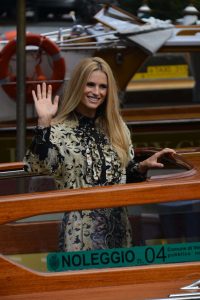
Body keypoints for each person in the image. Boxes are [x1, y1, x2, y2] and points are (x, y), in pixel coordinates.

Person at [24, 56, 176, 252]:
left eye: (103, 87)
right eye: (90, 85)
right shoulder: (58, 130)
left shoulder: (117, 128)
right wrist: (44, 122)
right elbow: (39, 167)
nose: (96, 92)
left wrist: (141, 167)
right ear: (78, 85)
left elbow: (122, 178)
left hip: (119, 228)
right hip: (79, 236)